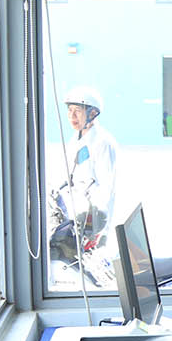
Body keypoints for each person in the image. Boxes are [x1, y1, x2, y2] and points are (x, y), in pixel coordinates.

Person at [49, 86, 118, 265]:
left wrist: (94, 228)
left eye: (78, 111)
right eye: (70, 110)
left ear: (93, 113)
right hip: (75, 214)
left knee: (93, 264)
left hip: (92, 220)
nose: (72, 116)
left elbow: (106, 187)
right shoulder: (78, 137)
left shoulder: (102, 142)